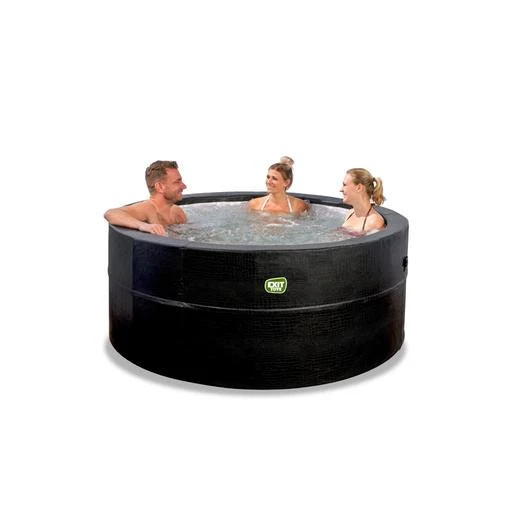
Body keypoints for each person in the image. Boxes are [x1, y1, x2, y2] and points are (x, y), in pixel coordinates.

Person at [104, 160, 187, 236]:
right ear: (160, 187)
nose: (184, 186)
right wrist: (142, 225)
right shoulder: (147, 209)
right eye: (177, 182)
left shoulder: (178, 213)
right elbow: (111, 214)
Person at [340, 168, 386, 234]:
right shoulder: (350, 213)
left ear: (359, 188)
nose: (341, 189)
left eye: (344, 185)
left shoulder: (374, 222)